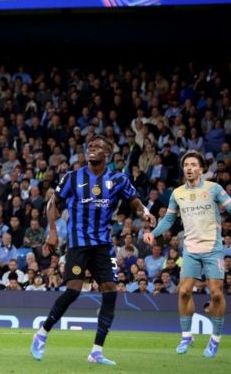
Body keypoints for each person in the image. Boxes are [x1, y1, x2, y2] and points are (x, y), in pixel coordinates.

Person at [31, 135, 156, 365]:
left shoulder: (118, 179)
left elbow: (136, 203)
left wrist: (146, 213)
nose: (92, 149)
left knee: (111, 290)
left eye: (98, 147)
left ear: (106, 154)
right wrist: (52, 230)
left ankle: (96, 351)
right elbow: (53, 203)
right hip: (79, 244)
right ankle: (42, 333)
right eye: (90, 146)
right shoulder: (72, 177)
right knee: (73, 291)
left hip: (104, 247)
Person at [144, 151, 229, 358]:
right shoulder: (177, 193)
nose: (189, 168)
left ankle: (215, 339)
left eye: (193, 164)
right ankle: (186, 335)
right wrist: (152, 233)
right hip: (190, 249)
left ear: (201, 168)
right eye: (186, 165)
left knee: (216, 294)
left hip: (213, 248)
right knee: (183, 292)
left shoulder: (214, 189)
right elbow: (169, 220)